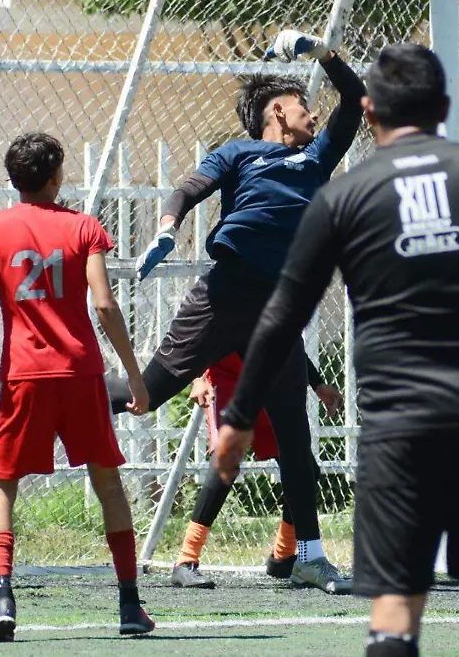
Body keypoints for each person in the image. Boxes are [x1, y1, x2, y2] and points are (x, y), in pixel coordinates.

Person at [212, 43, 459, 657]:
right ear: (444, 106)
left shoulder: (343, 198)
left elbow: (282, 315)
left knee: (397, 605)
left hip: (397, 424)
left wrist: (240, 417)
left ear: (369, 109)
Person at [108, 29, 366, 593]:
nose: (315, 115)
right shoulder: (239, 153)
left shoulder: (317, 159)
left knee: (297, 442)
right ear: (279, 110)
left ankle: (312, 557)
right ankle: (59, 387)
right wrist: (166, 230)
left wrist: (320, 53)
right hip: (224, 295)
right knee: (141, 394)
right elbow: (185, 190)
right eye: (305, 106)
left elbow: (357, 97)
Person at [0, 132, 155, 641]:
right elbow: (106, 306)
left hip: (23, 376)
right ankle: (130, 605)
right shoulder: (83, 227)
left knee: (3, 485)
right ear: (55, 177)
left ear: (14, 179)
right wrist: (133, 374)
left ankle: (3, 599)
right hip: (81, 373)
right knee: (107, 481)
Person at [170, 352, 343, 589]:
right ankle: (186, 559)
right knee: (225, 465)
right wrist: (198, 377)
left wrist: (317, 383)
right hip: (225, 378)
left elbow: (285, 337)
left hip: (267, 380)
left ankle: (282, 557)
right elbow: (199, 328)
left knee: (306, 469)